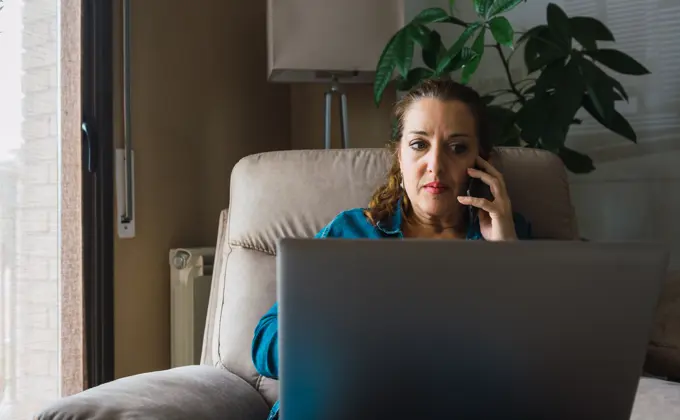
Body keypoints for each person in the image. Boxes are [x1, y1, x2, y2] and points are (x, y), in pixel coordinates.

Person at [251, 79, 532, 420]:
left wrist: (505, 254)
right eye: (418, 145)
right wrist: (329, 345)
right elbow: (265, 341)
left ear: (481, 160)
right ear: (399, 155)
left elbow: (537, 365)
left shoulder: (511, 236)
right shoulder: (350, 232)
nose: (436, 165)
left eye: (457, 148)